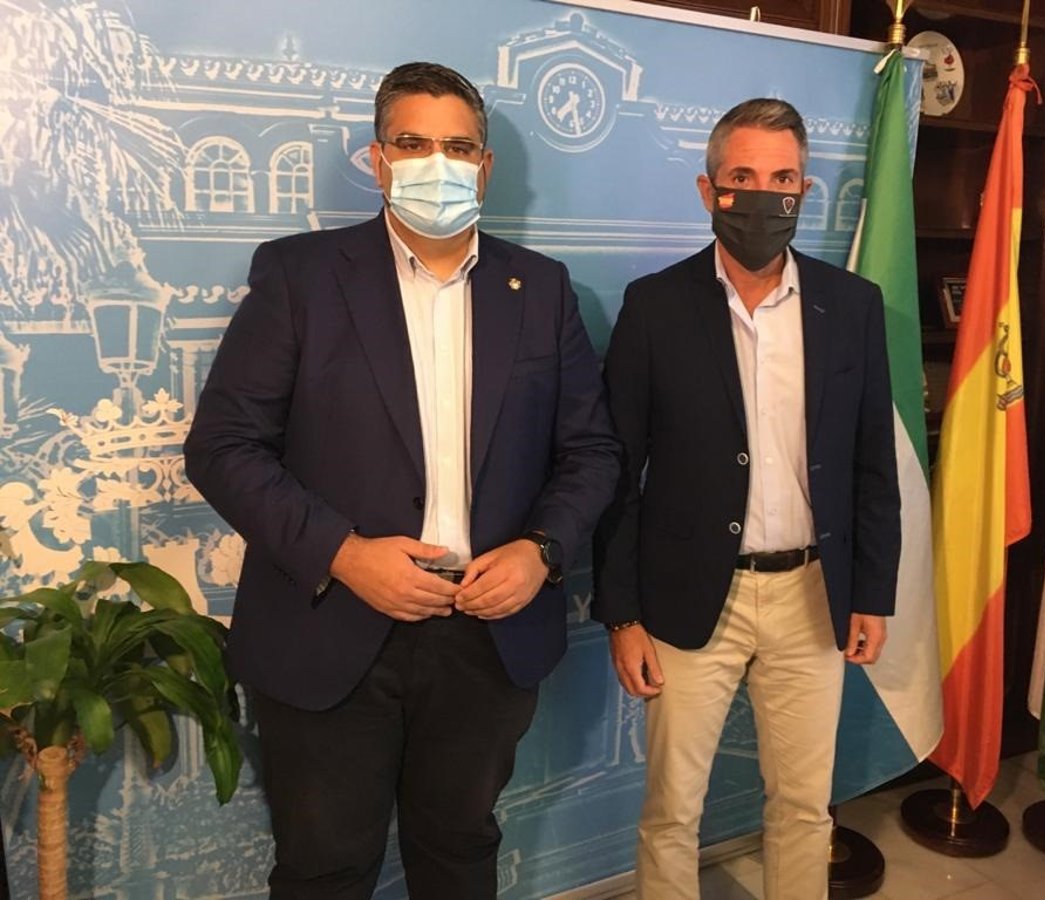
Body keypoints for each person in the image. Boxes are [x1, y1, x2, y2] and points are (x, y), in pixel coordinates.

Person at [184, 61, 620, 899]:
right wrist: (344, 554)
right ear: (379, 160)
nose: (437, 163)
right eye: (413, 144)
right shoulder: (301, 277)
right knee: (324, 869)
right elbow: (224, 447)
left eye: (458, 147)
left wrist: (541, 551)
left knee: (459, 852)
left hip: (485, 633)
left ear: (485, 166)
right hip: (331, 627)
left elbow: (591, 451)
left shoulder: (541, 288)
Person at [592, 98, 901, 900]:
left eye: (783, 178)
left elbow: (872, 462)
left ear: (804, 190)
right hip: (690, 595)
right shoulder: (655, 307)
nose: (765, 195)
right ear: (708, 190)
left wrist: (873, 592)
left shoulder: (853, 305)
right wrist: (622, 616)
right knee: (672, 811)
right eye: (743, 177)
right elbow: (617, 471)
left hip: (813, 595)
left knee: (802, 808)